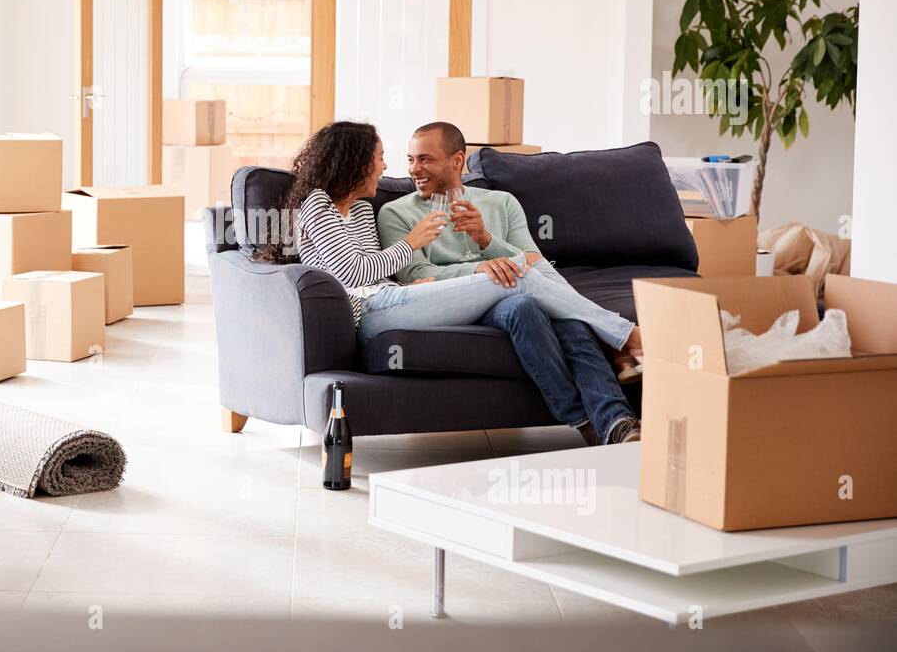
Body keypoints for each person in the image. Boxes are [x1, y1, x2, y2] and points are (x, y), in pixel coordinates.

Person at [271, 120, 641, 445]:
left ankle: (605, 420)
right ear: (355, 161)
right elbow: (352, 272)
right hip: (369, 314)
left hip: (394, 298)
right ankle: (627, 337)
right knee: (520, 273)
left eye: (418, 159)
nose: (386, 166)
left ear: (458, 160)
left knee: (541, 295)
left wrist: (425, 276)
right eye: (382, 157)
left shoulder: (362, 207)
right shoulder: (319, 204)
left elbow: (376, 270)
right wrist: (413, 244)